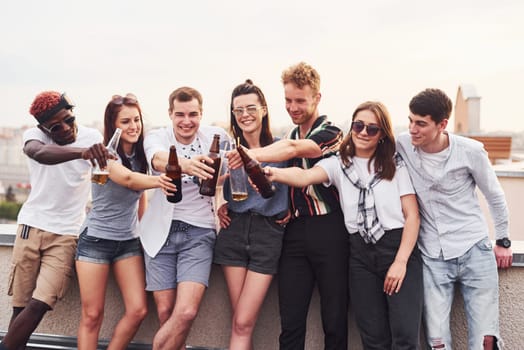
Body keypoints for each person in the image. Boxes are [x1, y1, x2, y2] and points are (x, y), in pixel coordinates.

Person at [265, 101, 423, 349]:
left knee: (404, 335)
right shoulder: (339, 163)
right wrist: (273, 174)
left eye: (372, 129)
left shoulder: (395, 164)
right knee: (373, 337)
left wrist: (400, 262)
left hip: (397, 249)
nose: (363, 132)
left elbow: (412, 216)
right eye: (358, 125)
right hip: (360, 256)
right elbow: (306, 177)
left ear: (382, 135)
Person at [228, 62, 349, 350]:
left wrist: (249, 155)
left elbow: (294, 151)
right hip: (293, 233)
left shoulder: (331, 133)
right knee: (290, 322)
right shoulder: (288, 136)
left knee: (334, 319)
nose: (292, 107)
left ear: (317, 98)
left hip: (329, 230)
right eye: (288, 100)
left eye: (300, 100)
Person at [396, 88, 513, 350]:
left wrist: (503, 240)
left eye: (421, 123)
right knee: (437, 341)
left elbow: (494, 196)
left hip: (475, 250)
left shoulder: (470, 151)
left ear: (442, 124)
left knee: (485, 340)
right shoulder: (403, 143)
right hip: (433, 255)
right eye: (411, 120)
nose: (413, 129)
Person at [0, 91, 111, 350]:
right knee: (21, 306)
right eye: (55, 127)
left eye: (68, 120)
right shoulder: (34, 136)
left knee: (41, 303)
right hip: (31, 226)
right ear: (43, 128)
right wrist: (82, 153)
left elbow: (106, 177)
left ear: (73, 114)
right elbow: (39, 153)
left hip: (67, 233)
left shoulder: (92, 137)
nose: (65, 128)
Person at [75, 94, 176, 350]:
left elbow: (139, 198)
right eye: (126, 121)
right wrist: (161, 180)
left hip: (128, 241)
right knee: (92, 315)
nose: (133, 126)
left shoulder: (142, 155)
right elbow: (129, 180)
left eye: (137, 119)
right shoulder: (105, 153)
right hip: (96, 240)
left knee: (138, 310)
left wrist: (143, 233)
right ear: (114, 125)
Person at [139, 87, 230, 350]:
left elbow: (237, 167)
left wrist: (227, 204)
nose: (186, 121)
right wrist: (187, 165)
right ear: (170, 114)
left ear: (201, 114)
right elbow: (156, 159)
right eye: (180, 114)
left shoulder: (217, 137)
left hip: (199, 231)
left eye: (193, 114)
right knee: (166, 312)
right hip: (160, 233)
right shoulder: (157, 136)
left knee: (186, 312)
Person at [213, 80, 289, 350]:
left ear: (264, 110)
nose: (244, 115)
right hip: (234, 231)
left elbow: (298, 183)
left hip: (267, 236)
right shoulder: (229, 151)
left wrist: (291, 208)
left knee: (243, 322)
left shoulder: (281, 148)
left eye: (250, 108)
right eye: (238, 110)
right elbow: (213, 182)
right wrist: (219, 205)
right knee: (240, 322)